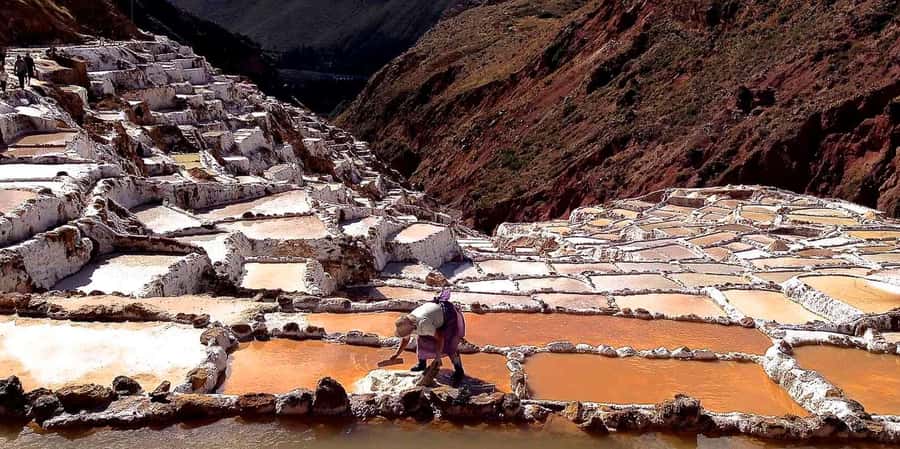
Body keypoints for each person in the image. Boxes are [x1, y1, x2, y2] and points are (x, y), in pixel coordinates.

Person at [389, 288, 466, 383]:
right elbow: (405, 339)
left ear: (412, 328)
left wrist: (437, 357)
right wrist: (396, 354)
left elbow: (440, 337)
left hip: (447, 316)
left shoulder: (423, 324)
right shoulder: (408, 323)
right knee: (422, 340)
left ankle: (459, 371)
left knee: (450, 345)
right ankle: (422, 364)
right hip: (433, 317)